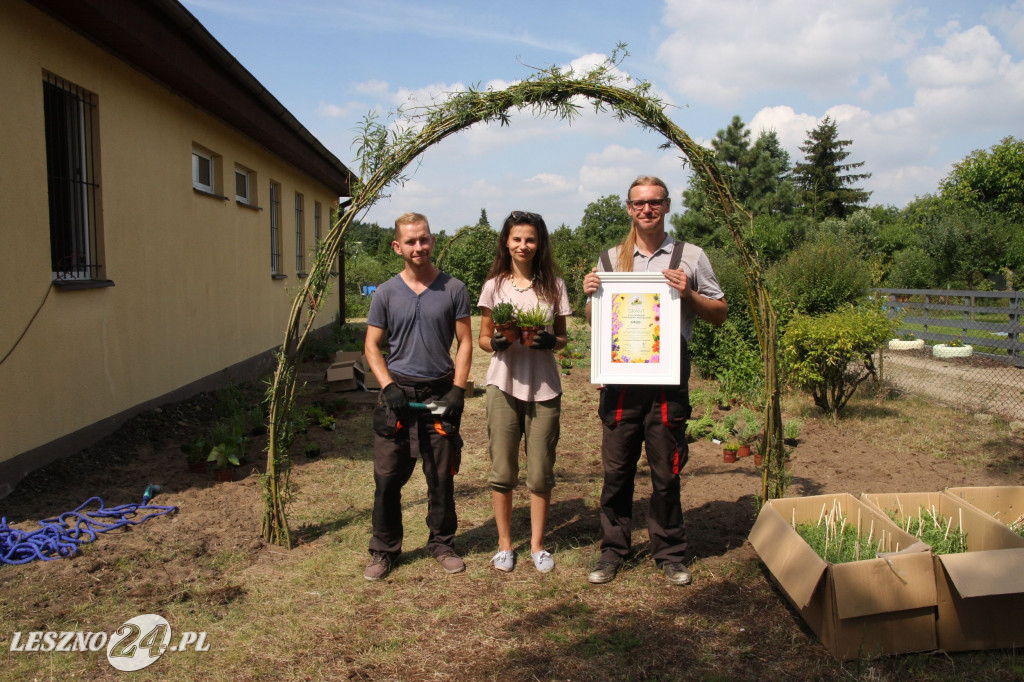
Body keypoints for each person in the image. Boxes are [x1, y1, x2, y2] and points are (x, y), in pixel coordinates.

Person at [582, 176, 727, 586]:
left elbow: (719, 312)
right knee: (616, 471)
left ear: (666, 206)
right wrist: (591, 295)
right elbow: (598, 322)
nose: (647, 209)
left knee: (666, 471)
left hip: (667, 379)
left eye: (655, 202)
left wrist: (690, 294)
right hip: (622, 380)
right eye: (639, 203)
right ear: (628, 208)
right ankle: (613, 551)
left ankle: (670, 553)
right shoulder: (611, 259)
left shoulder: (690, 256)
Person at [363, 212, 473, 581]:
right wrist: (388, 386)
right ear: (398, 247)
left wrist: (458, 389)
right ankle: (383, 550)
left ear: (433, 240)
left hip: (439, 395)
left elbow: (466, 343)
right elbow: (372, 346)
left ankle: (442, 543)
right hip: (397, 398)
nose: (418, 247)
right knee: (387, 479)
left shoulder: (454, 289)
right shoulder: (385, 293)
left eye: (423, 239)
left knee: (441, 476)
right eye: (410, 241)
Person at [477, 211, 571, 574]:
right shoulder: (494, 286)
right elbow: (485, 337)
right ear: (506, 242)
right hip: (503, 385)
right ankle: (504, 545)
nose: (523, 246)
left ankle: (537, 546)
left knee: (540, 472)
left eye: (530, 239)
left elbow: (562, 337)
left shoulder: (554, 286)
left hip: (545, 388)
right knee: (502, 470)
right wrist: (494, 343)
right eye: (517, 239)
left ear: (539, 244)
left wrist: (552, 340)